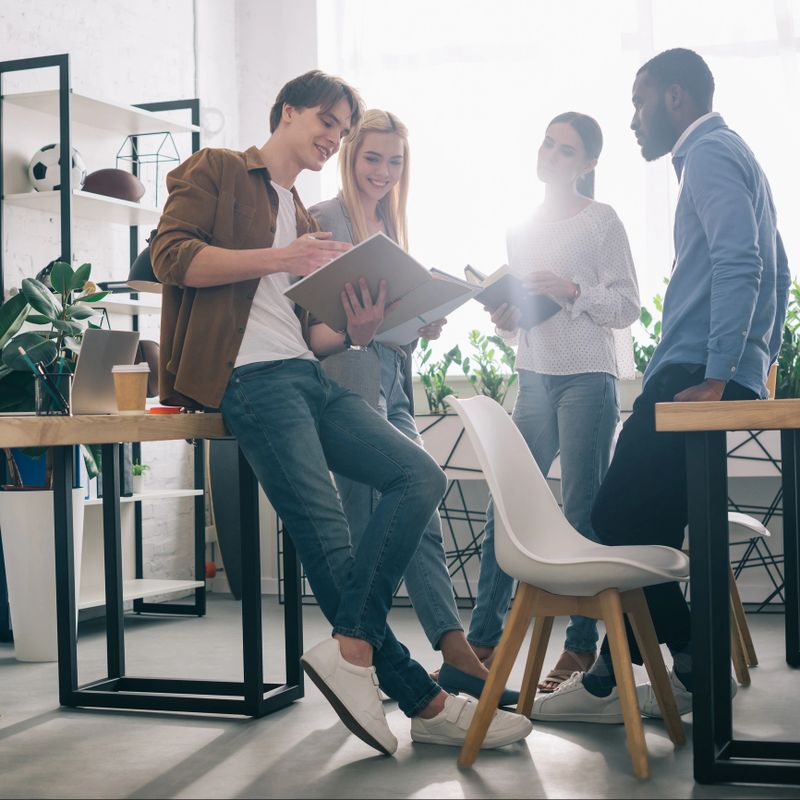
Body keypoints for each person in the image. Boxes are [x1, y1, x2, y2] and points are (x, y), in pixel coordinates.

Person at [150, 70, 531, 755]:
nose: (333, 137)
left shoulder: (297, 211)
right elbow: (169, 256)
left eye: (340, 127)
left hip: (305, 372)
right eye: (326, 121)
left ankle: (351, 648)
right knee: (329, 538)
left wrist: (361, 327)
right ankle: (428, 701)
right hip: (248, 381)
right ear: (287, 111)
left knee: (419, 476)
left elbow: (312, 333)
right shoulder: (217, 169)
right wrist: (283, 256)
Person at [532, 48, 790, 722]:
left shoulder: (708, 154)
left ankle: (680, 661)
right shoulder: (733, 155)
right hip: (708, 370)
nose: (633, 121)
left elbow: (745, 262)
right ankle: (649, 671)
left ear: (676, 98)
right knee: (652, 526)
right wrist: (753, 364)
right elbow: (779, 267)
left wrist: (717, 374)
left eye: (640, 102)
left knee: (613, 521)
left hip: (689, 376)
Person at [308, 109, 517, 706]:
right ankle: (359, 661)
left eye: (394, 161)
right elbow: (308, 322)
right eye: (372, 157)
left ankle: (452, 650)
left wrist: (421, 320)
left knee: (423, 504)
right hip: (344, 385)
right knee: (357, 528)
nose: (383, 171)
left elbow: (382, 320)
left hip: (394, 382)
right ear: (351, 156)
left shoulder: (390, 223)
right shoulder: (323, 219)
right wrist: (366, 326)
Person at [465, 111, 641, 693]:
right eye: (548, 143)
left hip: (588, 377)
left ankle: (580, 646)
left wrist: (570, 290)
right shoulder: (520, 226)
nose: (551, 154)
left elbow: (626, 308)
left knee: (581, 507)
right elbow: (521, 327)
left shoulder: (601, 221)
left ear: (588, 163)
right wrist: (506, 318)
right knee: (506, 506)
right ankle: (483, 638)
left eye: (566, 150)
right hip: (534, 375)